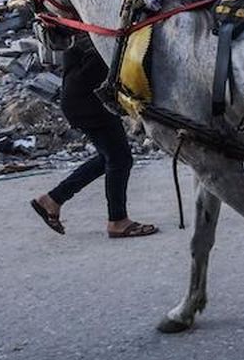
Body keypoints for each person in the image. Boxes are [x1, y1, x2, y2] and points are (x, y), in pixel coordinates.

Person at [29, 37, 158, 239]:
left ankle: (52, 199)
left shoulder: (85, 31)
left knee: (108, 158)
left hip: (80, 100)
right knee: (119, 159)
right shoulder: (101, 34)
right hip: (89, 103)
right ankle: (117, 221)